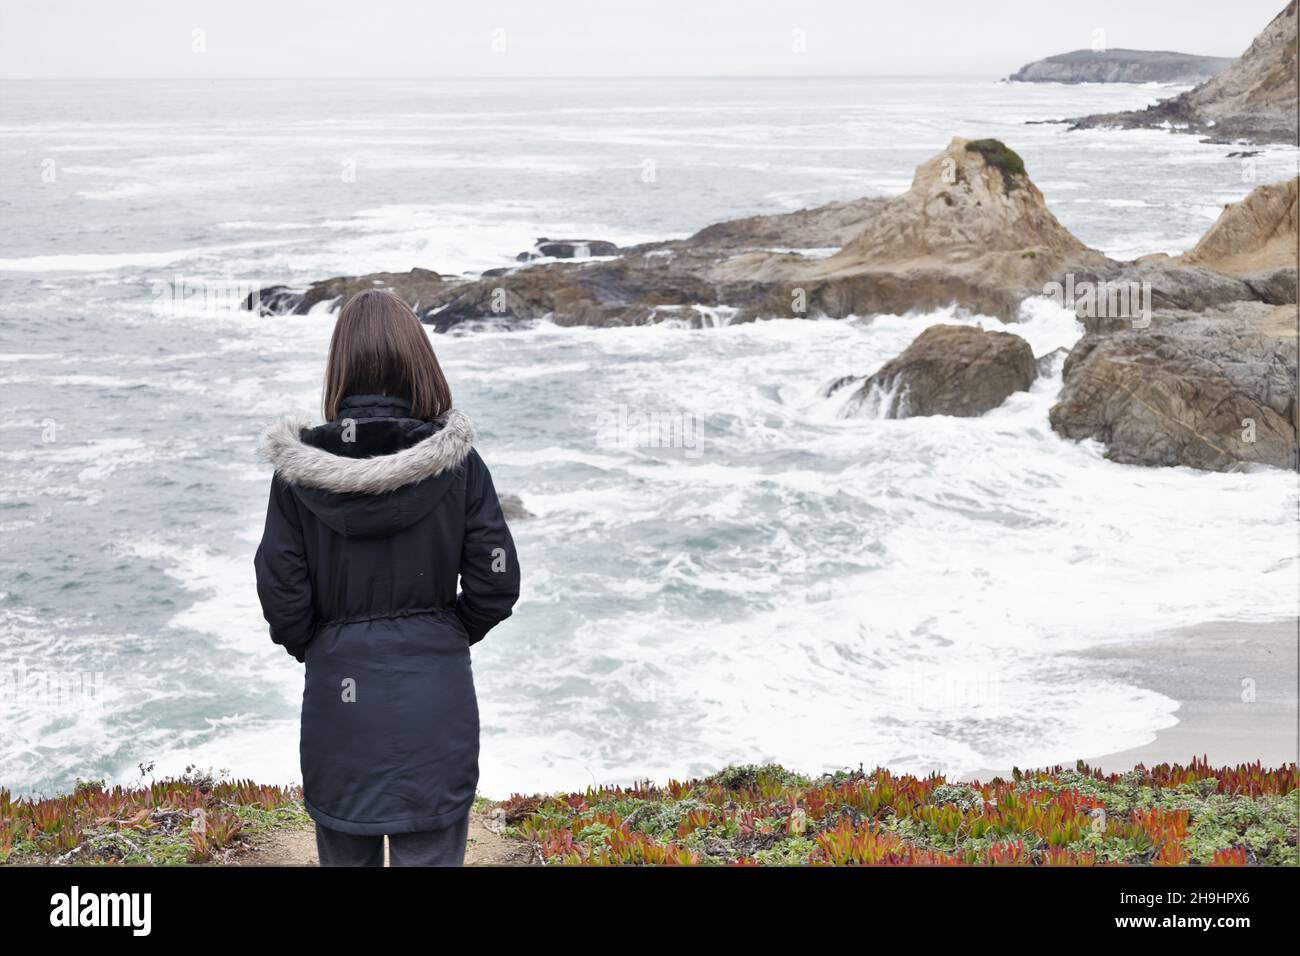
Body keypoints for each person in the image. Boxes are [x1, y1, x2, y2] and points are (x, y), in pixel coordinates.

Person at [254, 289, 520, 866]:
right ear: (419, 361)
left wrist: (325, 647)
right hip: (436, 697)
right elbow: (496, 580)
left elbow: (281, 591)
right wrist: (443, 636)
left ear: (339, 368)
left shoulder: (298, 476)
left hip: (340, 700)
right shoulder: (459, 463)